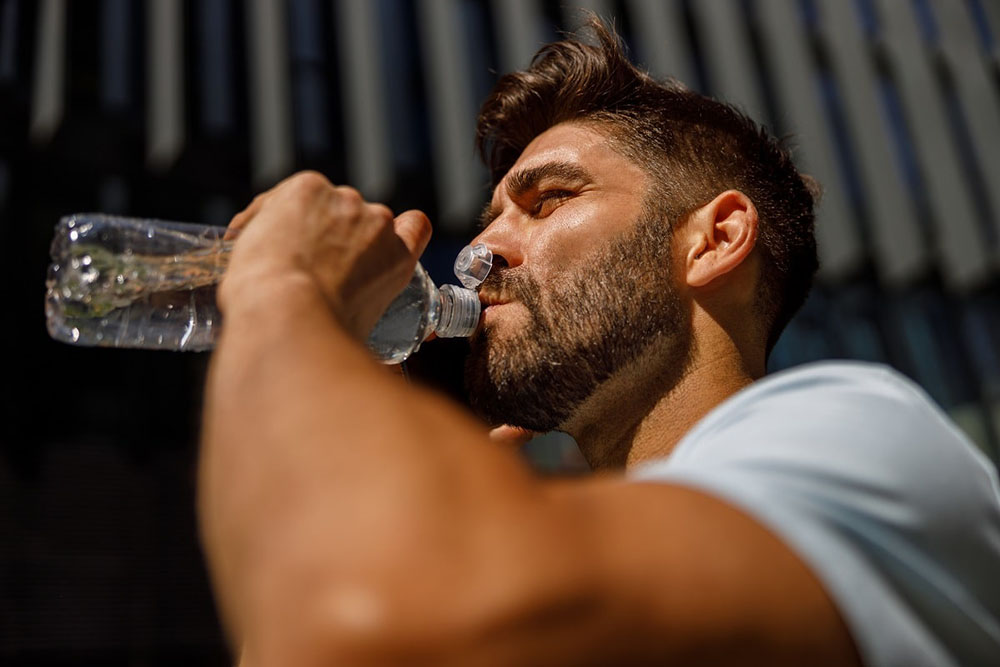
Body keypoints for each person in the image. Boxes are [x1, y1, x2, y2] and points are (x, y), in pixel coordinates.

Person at [199, 20, 1000, 666]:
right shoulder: (549, 557)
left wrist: (284, 287)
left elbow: (372, 620)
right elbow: (318, 630)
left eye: (547, 200)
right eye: (488, 222)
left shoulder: (863, 436)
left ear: (715, 239)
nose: (479, 254)